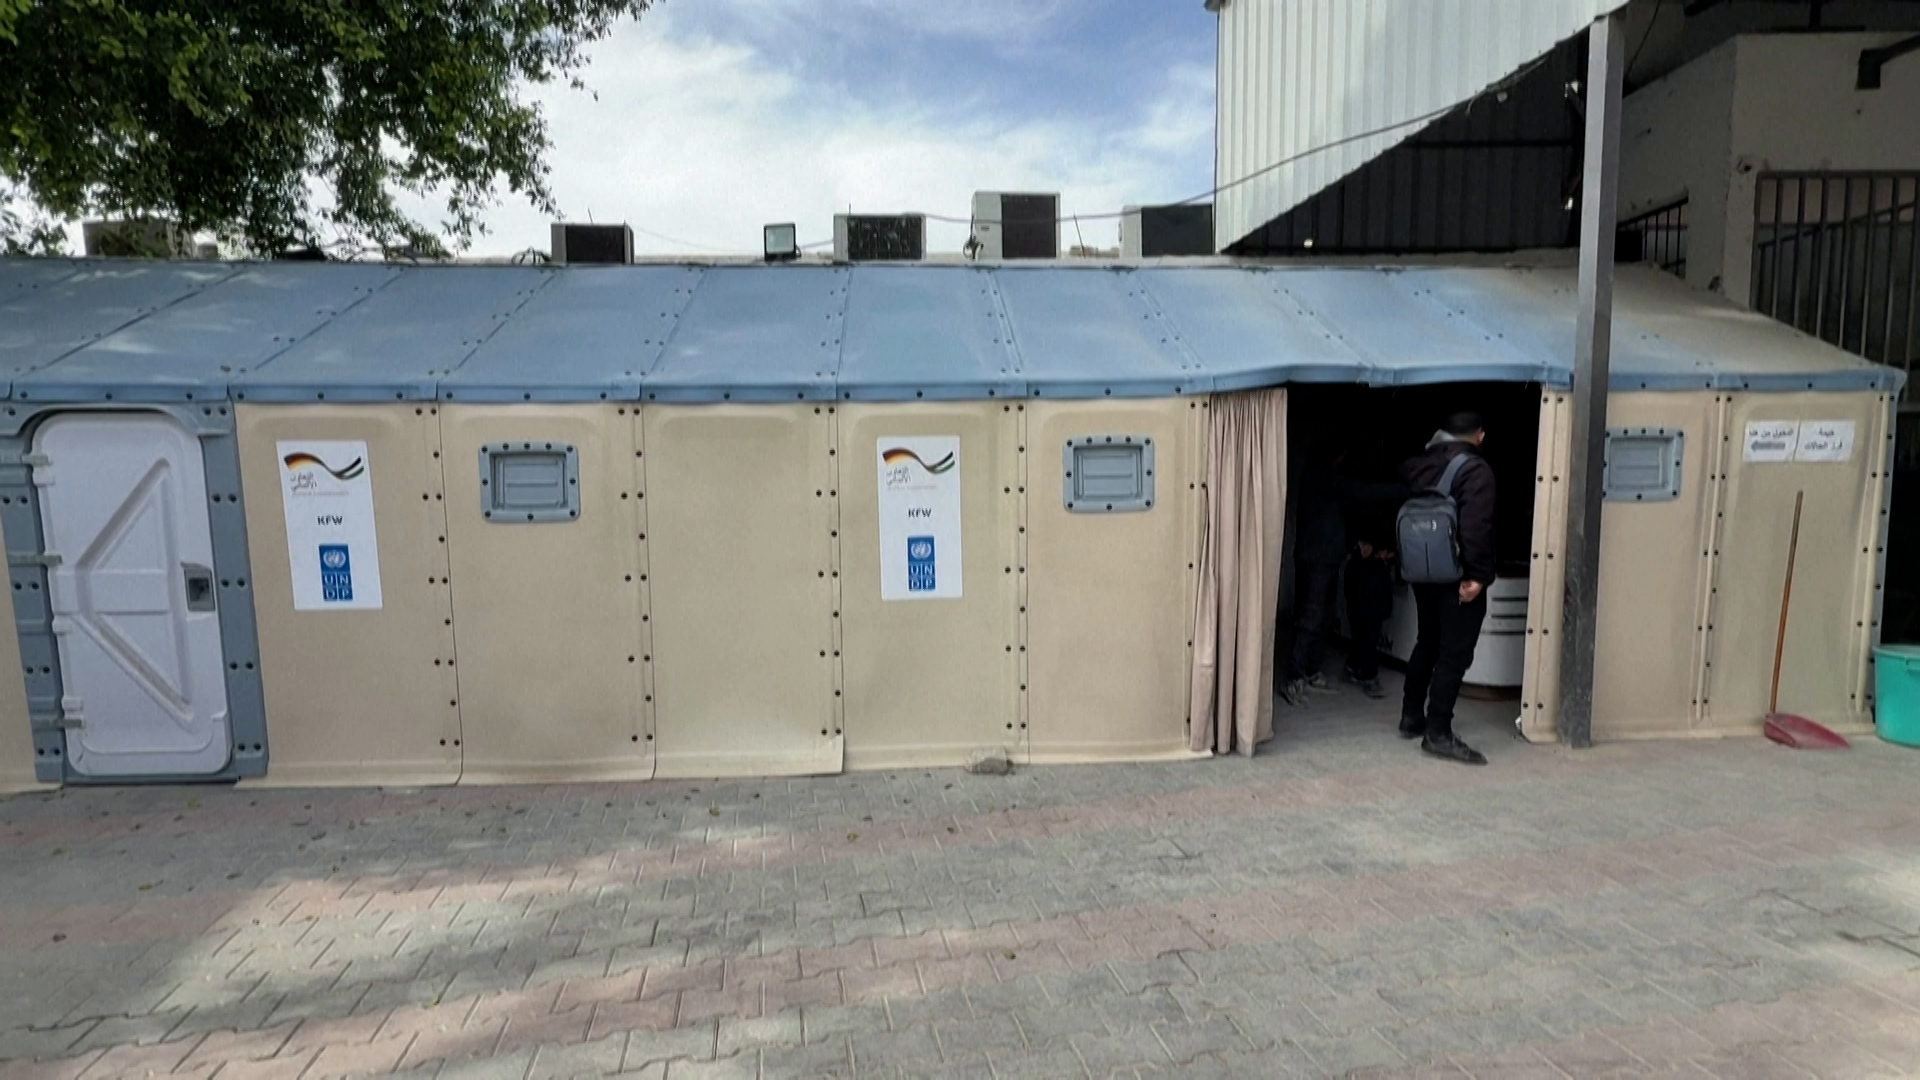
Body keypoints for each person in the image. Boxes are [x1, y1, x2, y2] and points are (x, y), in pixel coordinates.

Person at [1399, 411, 1496, 765]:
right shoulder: (1475, 471)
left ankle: (1411, 716)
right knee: (1454, 655)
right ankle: (1438, 732)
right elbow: (1475, 527)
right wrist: (1479, 576)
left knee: (1427, 641)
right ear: (1479, 436)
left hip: (1422, 571)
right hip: (1457, 578)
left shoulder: (1418, 465)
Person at [1281, 446, 1403, 706]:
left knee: (1322, 616)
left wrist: (1354, 544)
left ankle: (1310, 671)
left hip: (1323, 557)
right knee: (1311, 617)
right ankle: (1295, 676)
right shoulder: (1323, 477)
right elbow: (1362, 492)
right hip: (1317, 558)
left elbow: (1341, 515)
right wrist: (1407, 489)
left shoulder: (1320, 478)